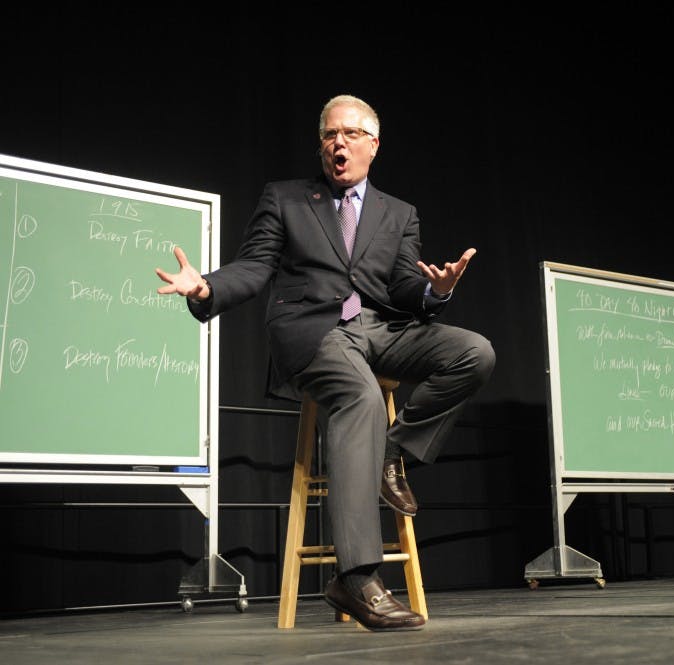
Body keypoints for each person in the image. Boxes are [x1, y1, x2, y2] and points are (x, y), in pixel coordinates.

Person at [155, 94, 495, 630]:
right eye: (330, 135)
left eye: (351, 134)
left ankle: (392, 454)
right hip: (313, 331)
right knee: (359, 398)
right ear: (321, 146)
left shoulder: (399, 213)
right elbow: (254, 266)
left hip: (381, 329)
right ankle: (357, 578)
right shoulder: (287, 198)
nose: (339, 143)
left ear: (374, 146)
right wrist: (205, 288)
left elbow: (403, 286)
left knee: (474, 352)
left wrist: (436, 293)